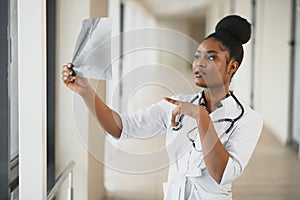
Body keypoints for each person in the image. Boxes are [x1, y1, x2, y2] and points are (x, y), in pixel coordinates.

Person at [62, 15, 263, 200]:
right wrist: (85, 91)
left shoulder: (247, 120)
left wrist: (201, 116)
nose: (199, 64)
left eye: (211, 57)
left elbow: (221, 173)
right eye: (197, 56)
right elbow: (121, 128)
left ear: (232, 67)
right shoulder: (175, 104)